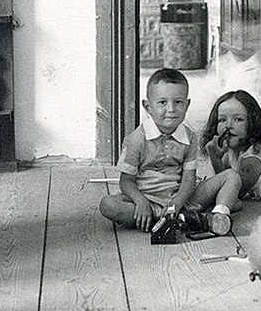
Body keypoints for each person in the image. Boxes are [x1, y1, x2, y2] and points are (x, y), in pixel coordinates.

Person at [99, 68, 233, 235]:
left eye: (178, 102)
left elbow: (188, 180)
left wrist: (176, 203)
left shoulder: (189, 137)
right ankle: (189, 219)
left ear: (187, 104)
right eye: (162, 102)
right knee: (108, 205)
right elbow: (126, 182)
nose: (171, 109)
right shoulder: (136, 139)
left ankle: (217, 215)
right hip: (147, 200)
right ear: (148, 107)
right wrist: (140, 202)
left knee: (232, 177)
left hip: (183, 199)